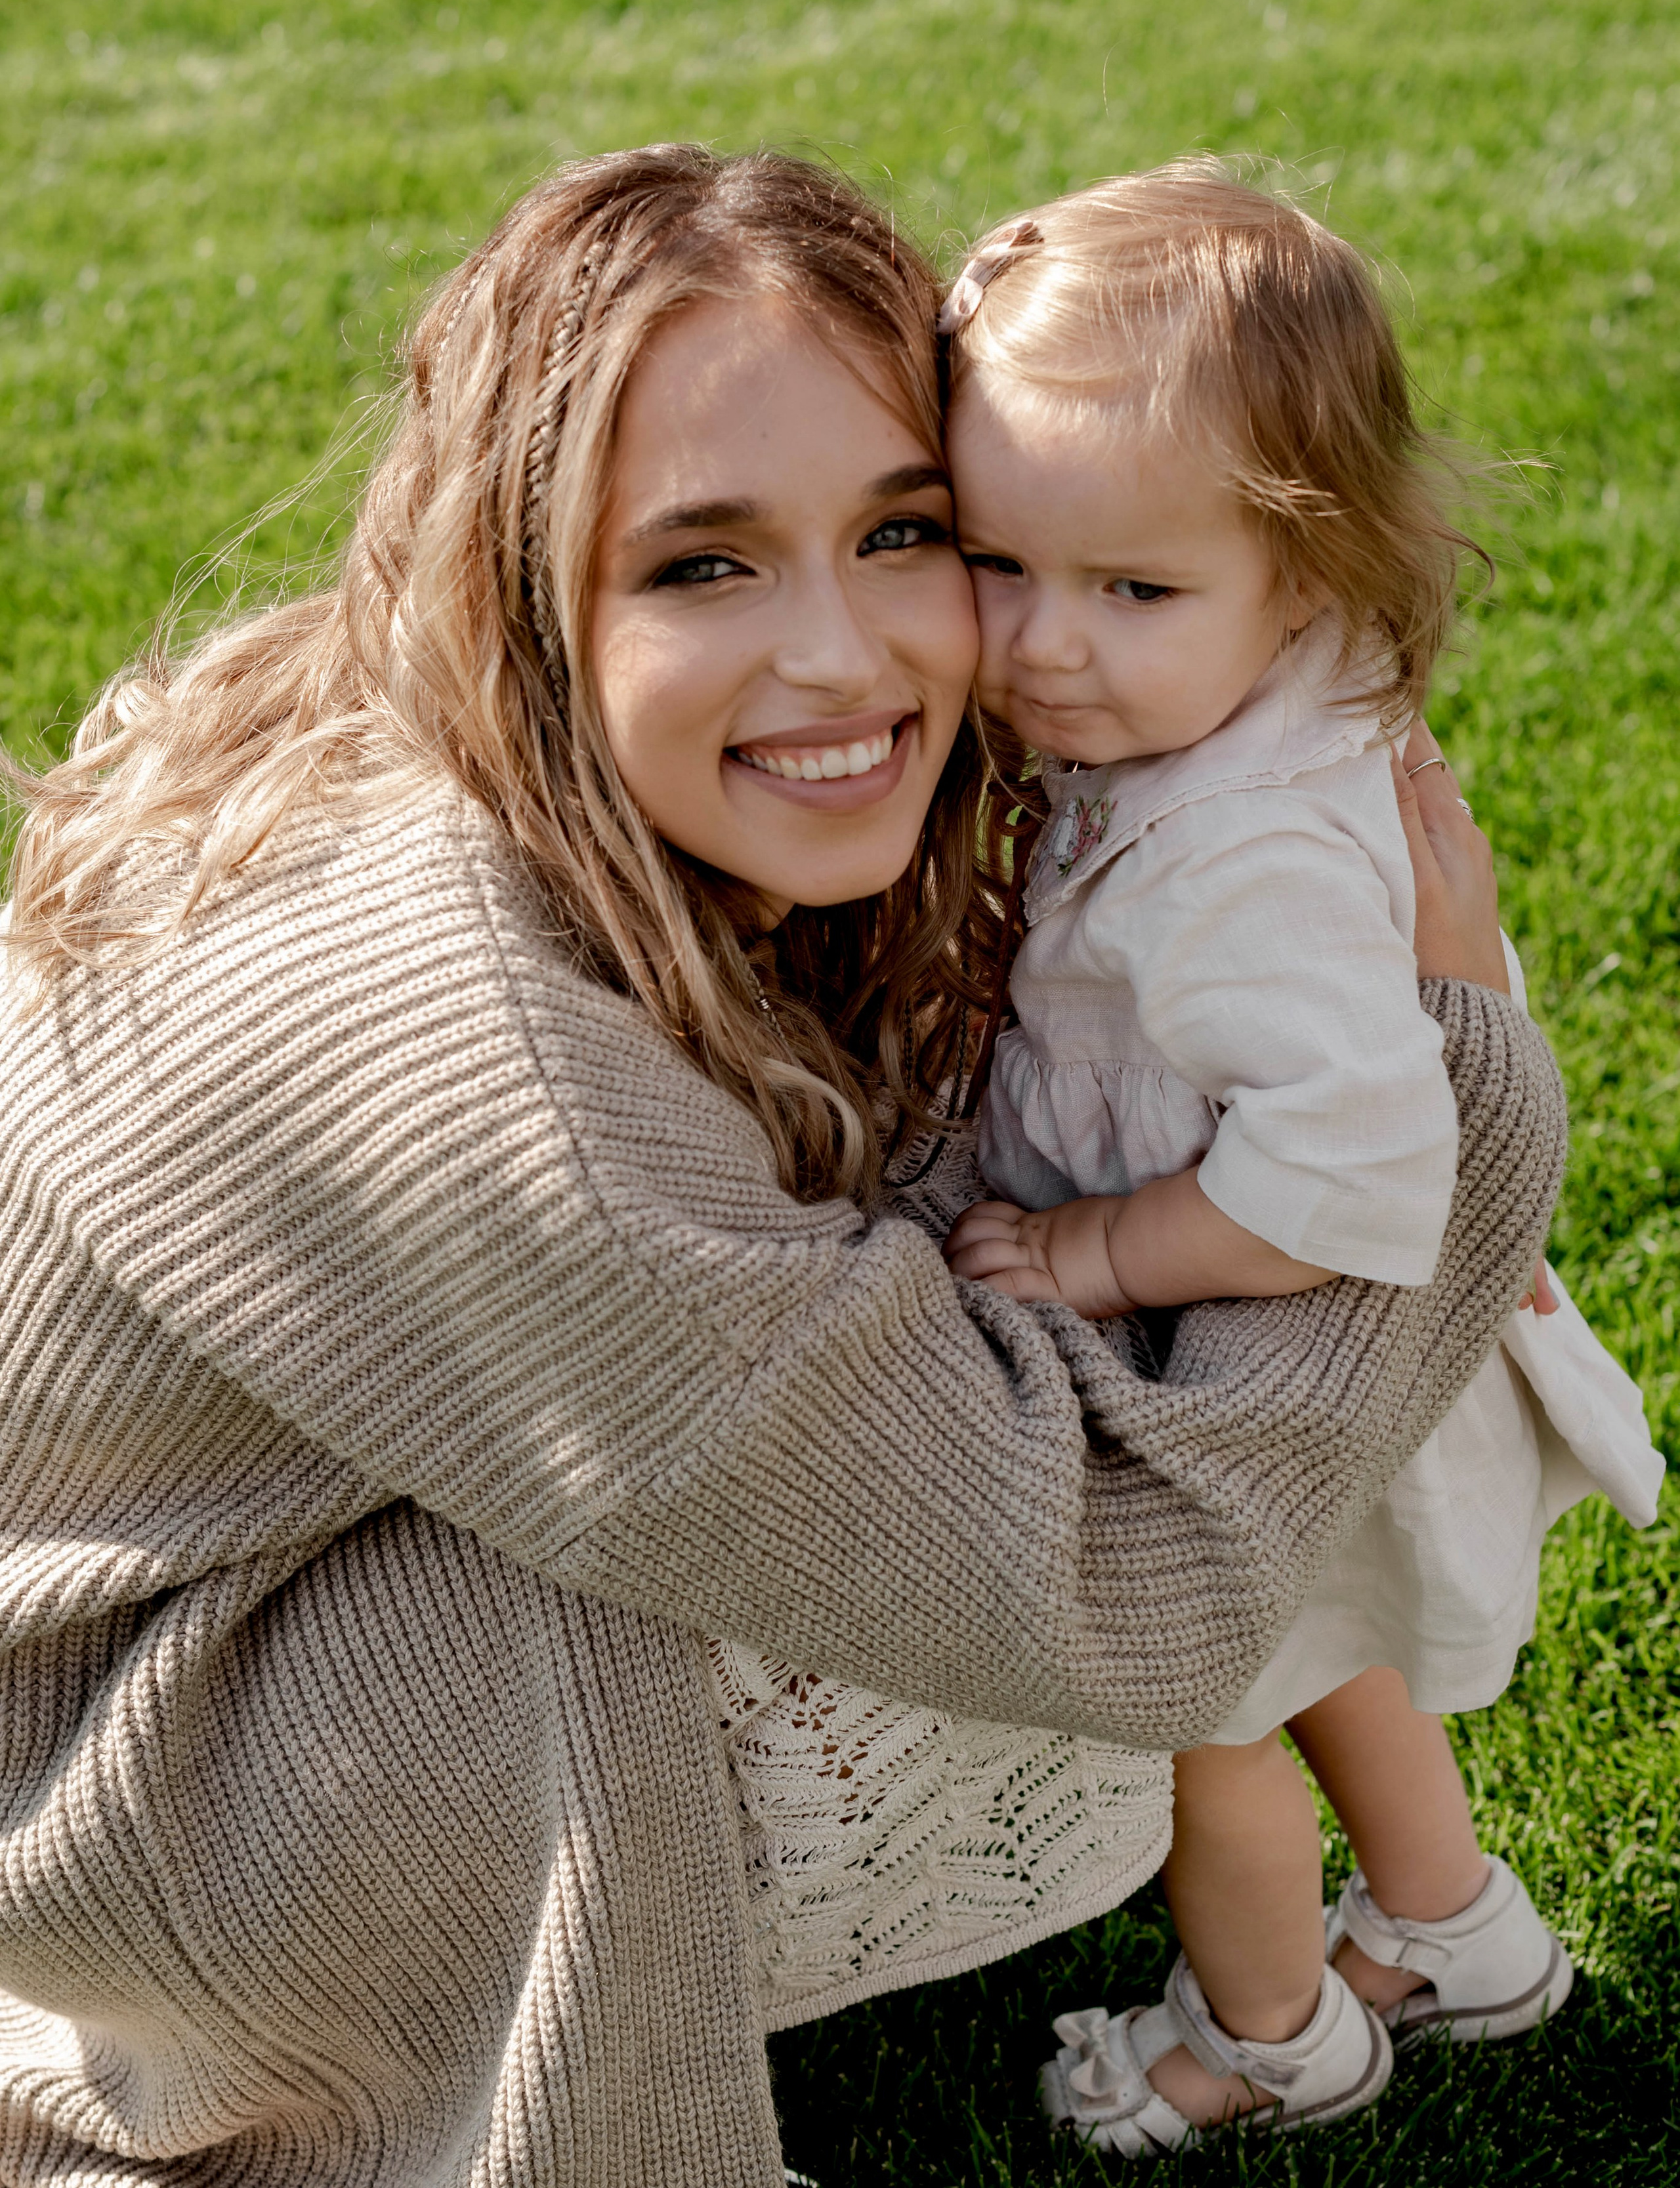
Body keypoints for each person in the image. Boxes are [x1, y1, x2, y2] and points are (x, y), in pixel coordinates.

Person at [0, 145, 1564, 2188]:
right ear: (523, 573)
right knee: (1009, 1607)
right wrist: (1461, 1121)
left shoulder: (475, 763)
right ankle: (321, 2080)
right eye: (703, 564)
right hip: (144, 1794)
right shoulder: (492, 1070)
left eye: (906, 531)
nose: (844, 658)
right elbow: (1132, 1604)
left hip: (160, 1656)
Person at [940, 164, 1663, 2156]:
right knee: (1337, 1651)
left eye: (1132, 591)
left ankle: (1267, 2035)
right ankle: (1455, 1929)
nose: (1043, 649)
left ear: (1312, 574)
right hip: (1335, 1369)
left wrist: (1087, 1255)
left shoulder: (1241, 858)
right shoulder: (1260, 721)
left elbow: (1339, 1178)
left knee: (1214, 1715)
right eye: (1001, 563)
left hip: (1273, 1352)